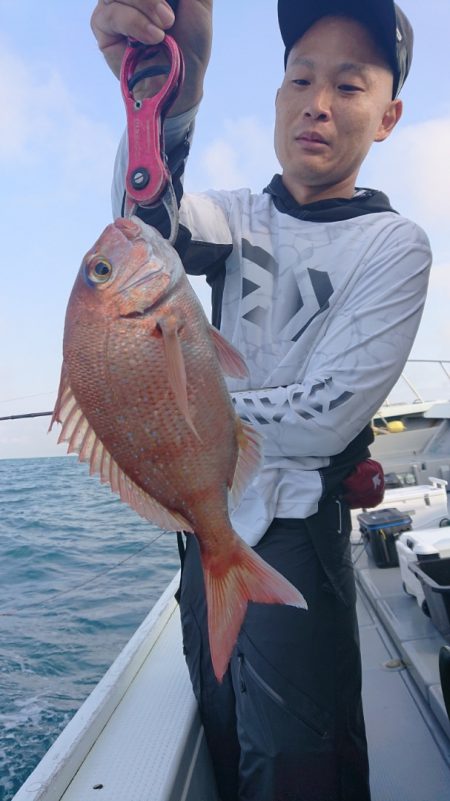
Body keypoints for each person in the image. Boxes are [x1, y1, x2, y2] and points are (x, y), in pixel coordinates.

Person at [91, 2, 432, 799]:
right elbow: (140, 232)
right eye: (300, 78)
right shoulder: (233, 219)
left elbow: (322, 419)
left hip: (294, 531)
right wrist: (169, 97)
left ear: (388, 118)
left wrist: (173, 414)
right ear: (277, 97)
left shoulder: (394, 245)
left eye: (349, 86)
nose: (317, 101)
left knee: (300, 758)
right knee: (223, 721)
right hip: (204, 526)